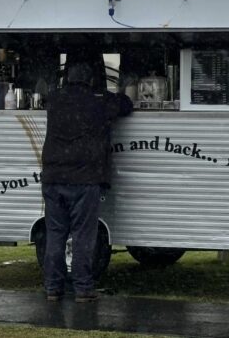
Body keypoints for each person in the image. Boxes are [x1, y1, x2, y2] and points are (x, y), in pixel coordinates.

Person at [41, 62, 133, 302]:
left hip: (53, 177)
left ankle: (53, 288)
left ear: (67, 80)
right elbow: (126, 105)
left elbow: (44, 99)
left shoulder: (54, 101)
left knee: (55, 234)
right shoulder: (98, 102)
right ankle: (83, 289)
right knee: (83, 235)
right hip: (83, 179)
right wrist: (113, 92)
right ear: (90, 82)